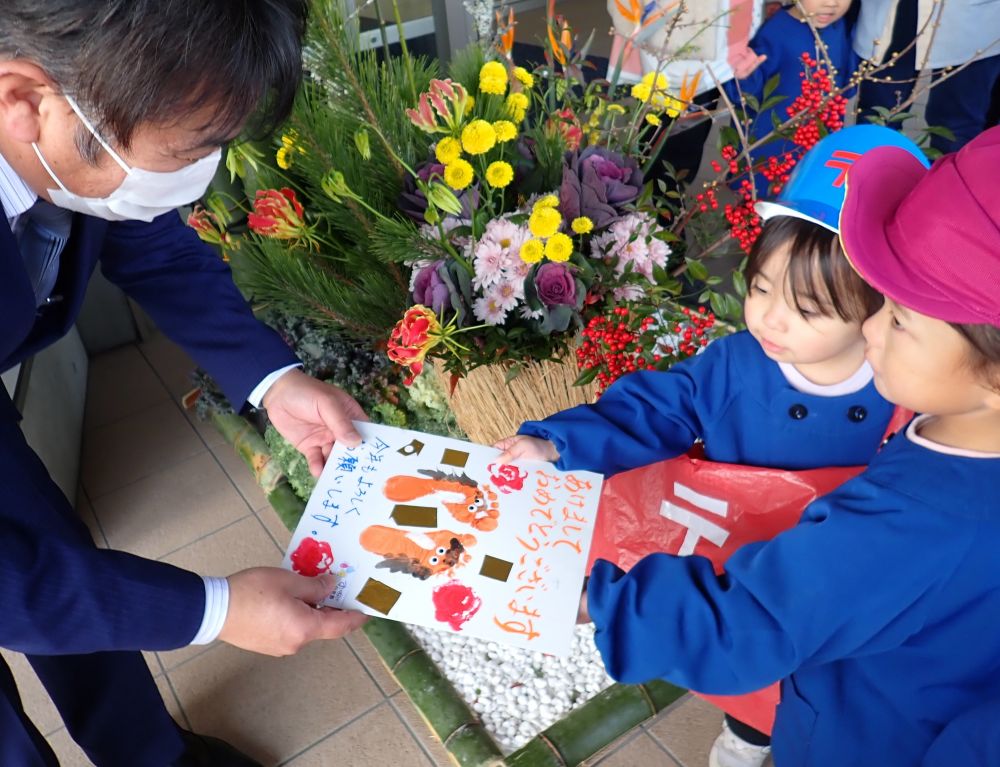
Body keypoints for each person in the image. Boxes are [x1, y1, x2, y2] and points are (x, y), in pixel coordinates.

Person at [0, 3, 370, 766]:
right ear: (23, 100)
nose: (194, 177)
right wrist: (214, 610)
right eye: (177, 153)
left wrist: (275, 381)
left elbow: (153, 246)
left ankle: (151, 754)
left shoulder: (81, 126)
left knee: (55, 546)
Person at [496, 125, 926, 767]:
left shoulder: (906, 393)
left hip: (831, 574)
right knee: (745, 655)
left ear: (880, 309)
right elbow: (655, 407)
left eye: (807, 310)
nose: (770, 318)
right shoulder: (737, 364)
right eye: (761, 288)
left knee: (816, 668)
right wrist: (558, 444)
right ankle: (746, 735)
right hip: (735, 550)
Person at [574, 126, 1000, 766]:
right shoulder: (952, 433)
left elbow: (753, 619)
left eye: (899, 318)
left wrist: (593, 599)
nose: (870, 326)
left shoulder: (918, 518)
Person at [721, 0, 858, 195]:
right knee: (759, 199)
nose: (831, 3)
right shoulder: (774, 32)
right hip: (771, 143)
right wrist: (742, 77)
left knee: (805, 189)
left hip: (817, 138)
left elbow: (846, 86)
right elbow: (744, 96)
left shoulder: (839, 27)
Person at [854, 0, 1000, 154]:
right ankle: (873, 167)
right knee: (879, 118)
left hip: (975, 19)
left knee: (956, 127)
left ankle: (950, 169)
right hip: (895, 11)